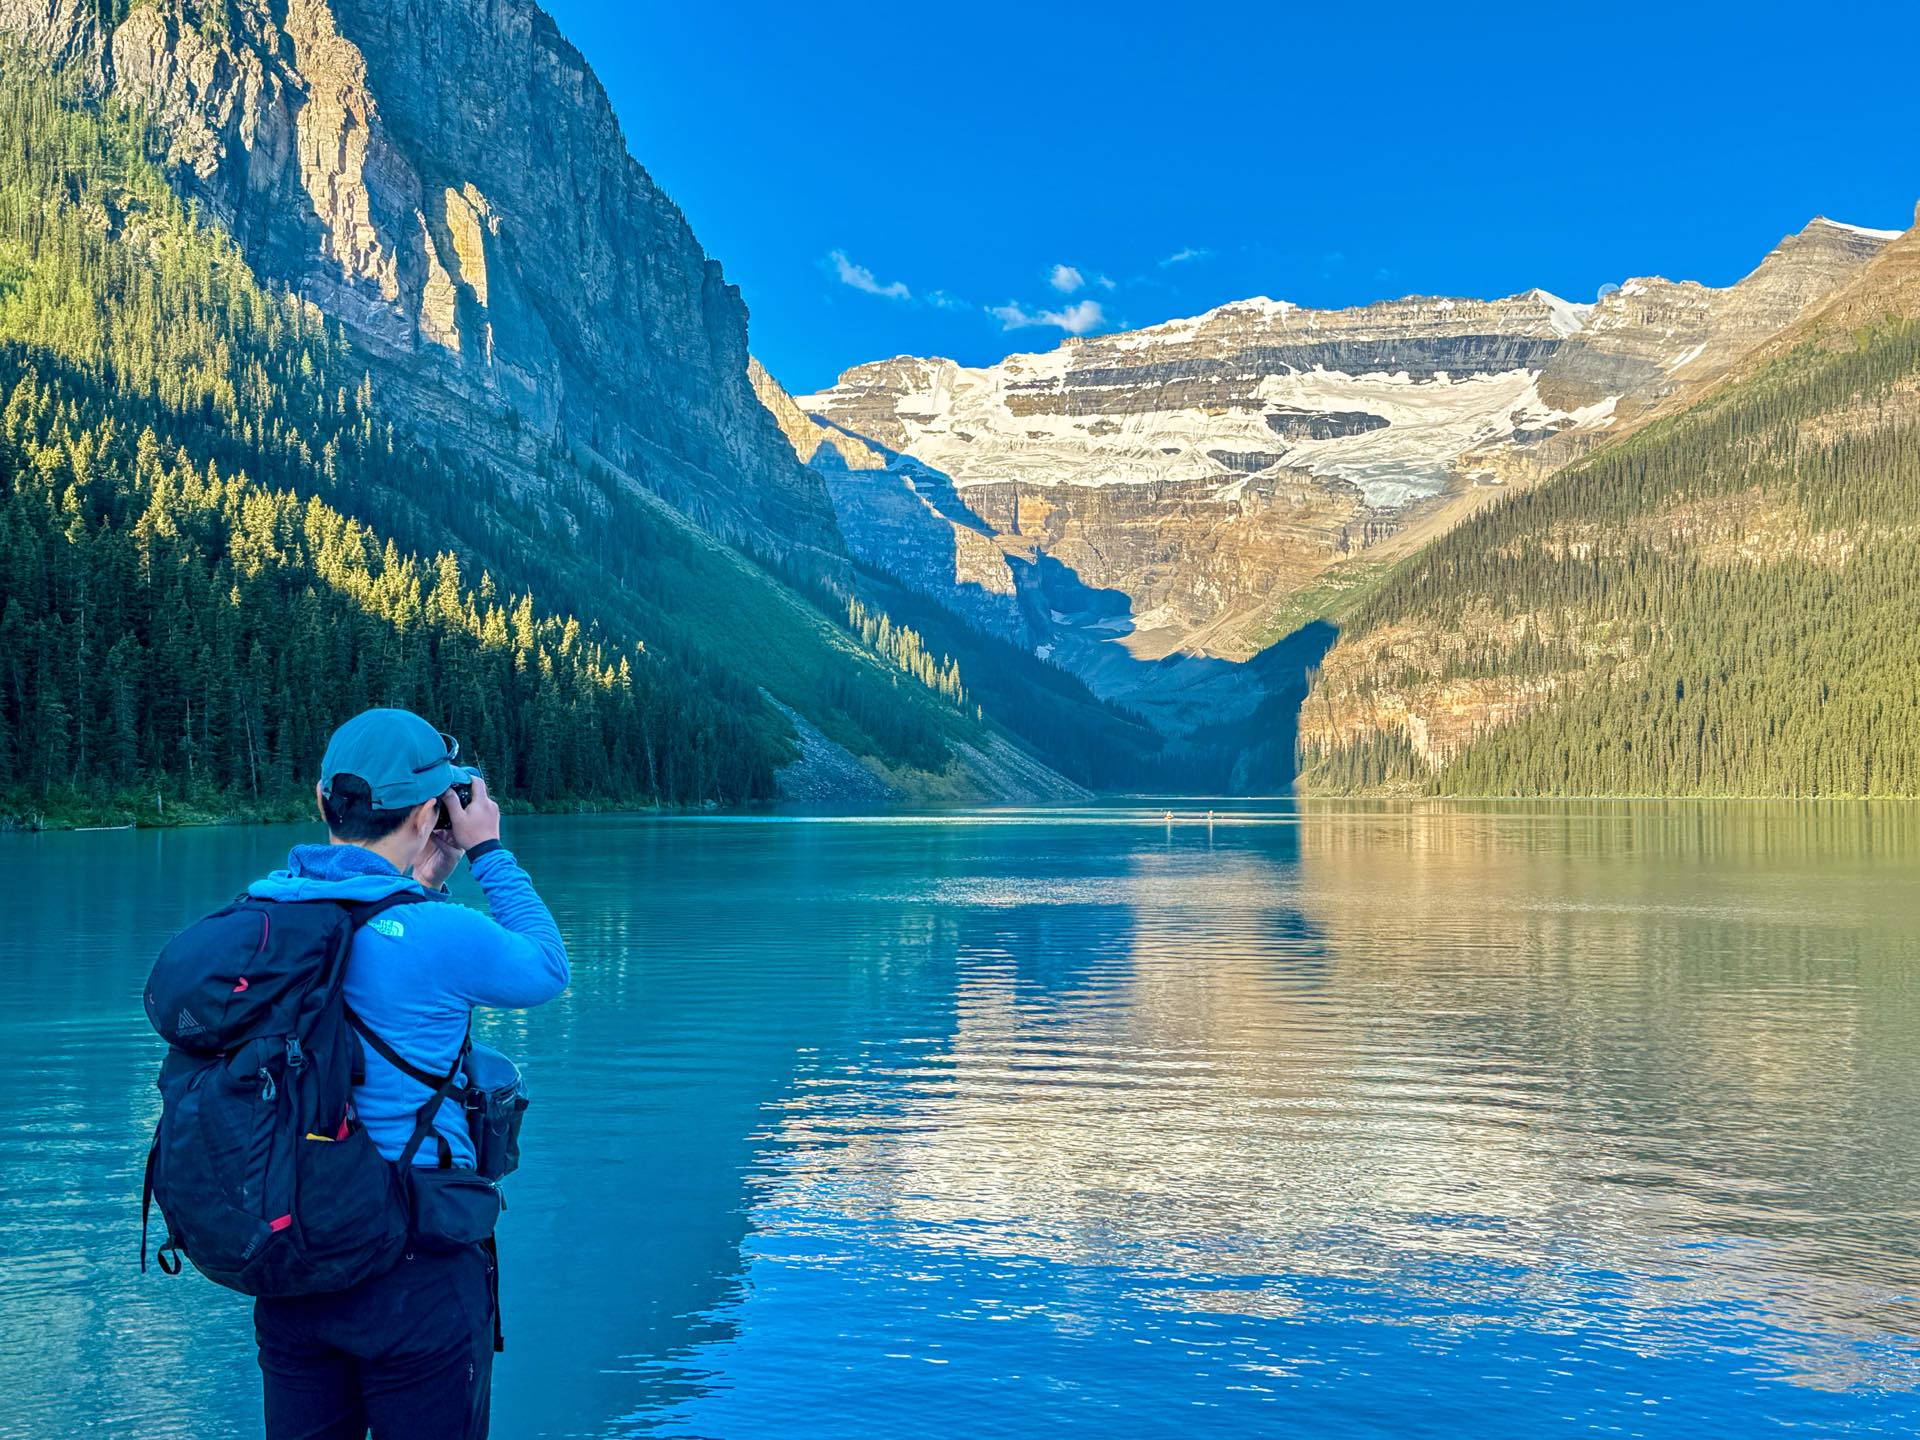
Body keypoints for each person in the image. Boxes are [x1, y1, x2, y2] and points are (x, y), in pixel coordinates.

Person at [246, 708, 569, 1440]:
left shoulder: (265, 912)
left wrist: (424, 880)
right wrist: (488, 853)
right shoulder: (435, 934)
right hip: (414, 1266)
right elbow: (547, 967)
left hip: (293, 1258)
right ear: (429, 814)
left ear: (322, 801)